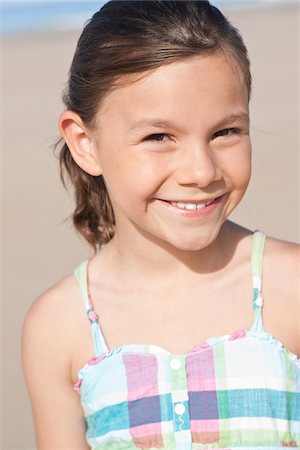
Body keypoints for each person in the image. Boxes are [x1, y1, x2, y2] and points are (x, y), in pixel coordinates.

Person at [22, 1, 300, 449]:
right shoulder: (60, 326)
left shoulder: (290, 288)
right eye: (158, 137)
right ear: (85, 143)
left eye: (225, 132)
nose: (201, 171)